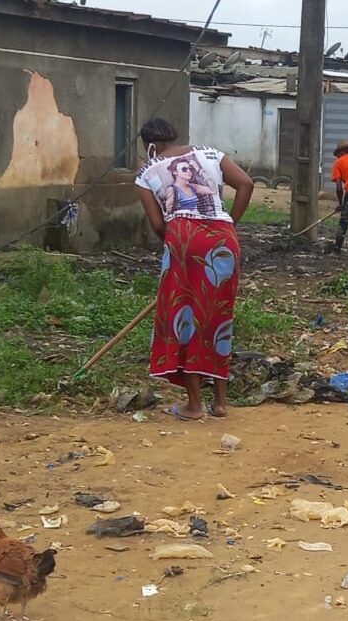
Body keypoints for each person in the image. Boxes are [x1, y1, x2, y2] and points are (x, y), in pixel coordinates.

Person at [134, 118, 253, 420]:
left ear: (150, 145)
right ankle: (222, 403)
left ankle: (195, 406)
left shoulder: (146, 172)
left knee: (184, 318)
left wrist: (180, 245)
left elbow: (158, 224)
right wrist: (229, 224)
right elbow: (246, 184)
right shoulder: (212, 154)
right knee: (218, 317)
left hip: (184, 240)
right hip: (223, 237)